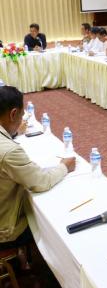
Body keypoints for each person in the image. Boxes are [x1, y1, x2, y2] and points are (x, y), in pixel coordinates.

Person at [0, 86, 76, 254]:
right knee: (53, 218)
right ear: (13, 114)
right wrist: (65, 166)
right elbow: (41, 182)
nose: (21, 120)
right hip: (4, 230)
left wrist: (12, 133)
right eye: (21, 115)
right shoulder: (9, 152)